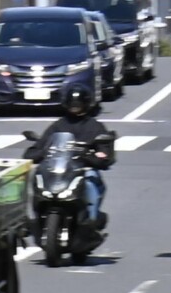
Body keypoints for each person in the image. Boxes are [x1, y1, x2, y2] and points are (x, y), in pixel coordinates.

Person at [25, 86, 116, 221]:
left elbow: (104, 152)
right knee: (37, 175)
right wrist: (42, 152)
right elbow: (37, 148)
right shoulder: (58, 125)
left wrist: (93, 155)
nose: (75, 108)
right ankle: (35, 213)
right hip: (58, 168)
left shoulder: (95, 126)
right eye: (72, 105)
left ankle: (91, 216)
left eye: (78, 105)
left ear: (86, 104)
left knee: (92, 180)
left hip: (83, 168)